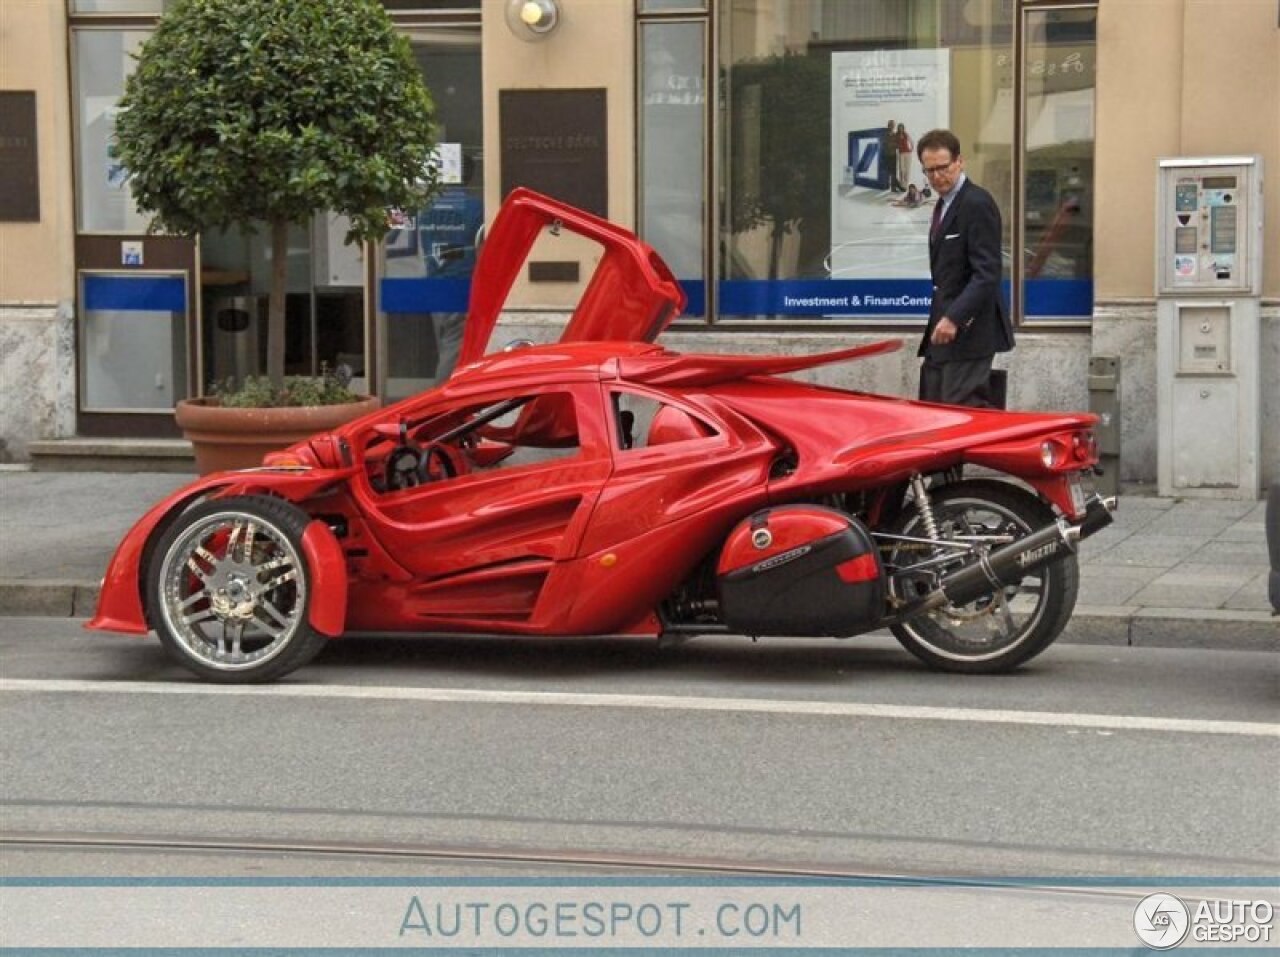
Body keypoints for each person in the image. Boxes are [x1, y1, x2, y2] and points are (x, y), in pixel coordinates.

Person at [915, 128, 1013, 407]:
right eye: (929, 170)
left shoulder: (976, 203)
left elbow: (987, 272)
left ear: (960, 162)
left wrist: (955, 317)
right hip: (943, 331)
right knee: (933, 409)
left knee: (960, 413)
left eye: (943, 168)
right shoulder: (945, 204)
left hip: (969, 332)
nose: (936, 177)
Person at [894, 123, 914, 196]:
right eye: (899, 127)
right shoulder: (896, 135)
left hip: (907, 153)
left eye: (902, 127)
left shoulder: (906, 134)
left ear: (903, 128)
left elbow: (911, 141)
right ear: (898, 128)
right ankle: (901, 185)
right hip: (901, 153)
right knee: (902, 170)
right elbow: (895, 144)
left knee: (907, 170)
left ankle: (905, 186)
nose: (901, 129)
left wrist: (912, 148)